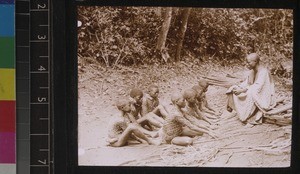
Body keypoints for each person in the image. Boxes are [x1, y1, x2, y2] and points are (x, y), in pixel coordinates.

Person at [226, 53, 276, 124]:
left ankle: (249, 115)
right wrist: (238, 87)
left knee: (251, 93)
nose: (247, 64)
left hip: (264, 96)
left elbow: (257, 87)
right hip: (254, 91)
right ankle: (242, 112)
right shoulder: (252, 72)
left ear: (255, 62)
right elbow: (246, 83)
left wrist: (242, 90)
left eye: (248, 62)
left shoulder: (263, 72)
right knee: (233, 88)